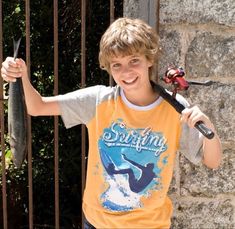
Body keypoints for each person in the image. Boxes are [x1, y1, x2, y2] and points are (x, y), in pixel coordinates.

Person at [1, 17, 222, 229]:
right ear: (108, 67)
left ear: (150, 59)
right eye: (116, 65)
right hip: (97, 223)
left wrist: (208, 127)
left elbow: (212, 161)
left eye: (134, 61)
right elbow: (37, 107)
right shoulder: (97, 100)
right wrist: (21, 76)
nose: (126, 72)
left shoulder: (174, 106)